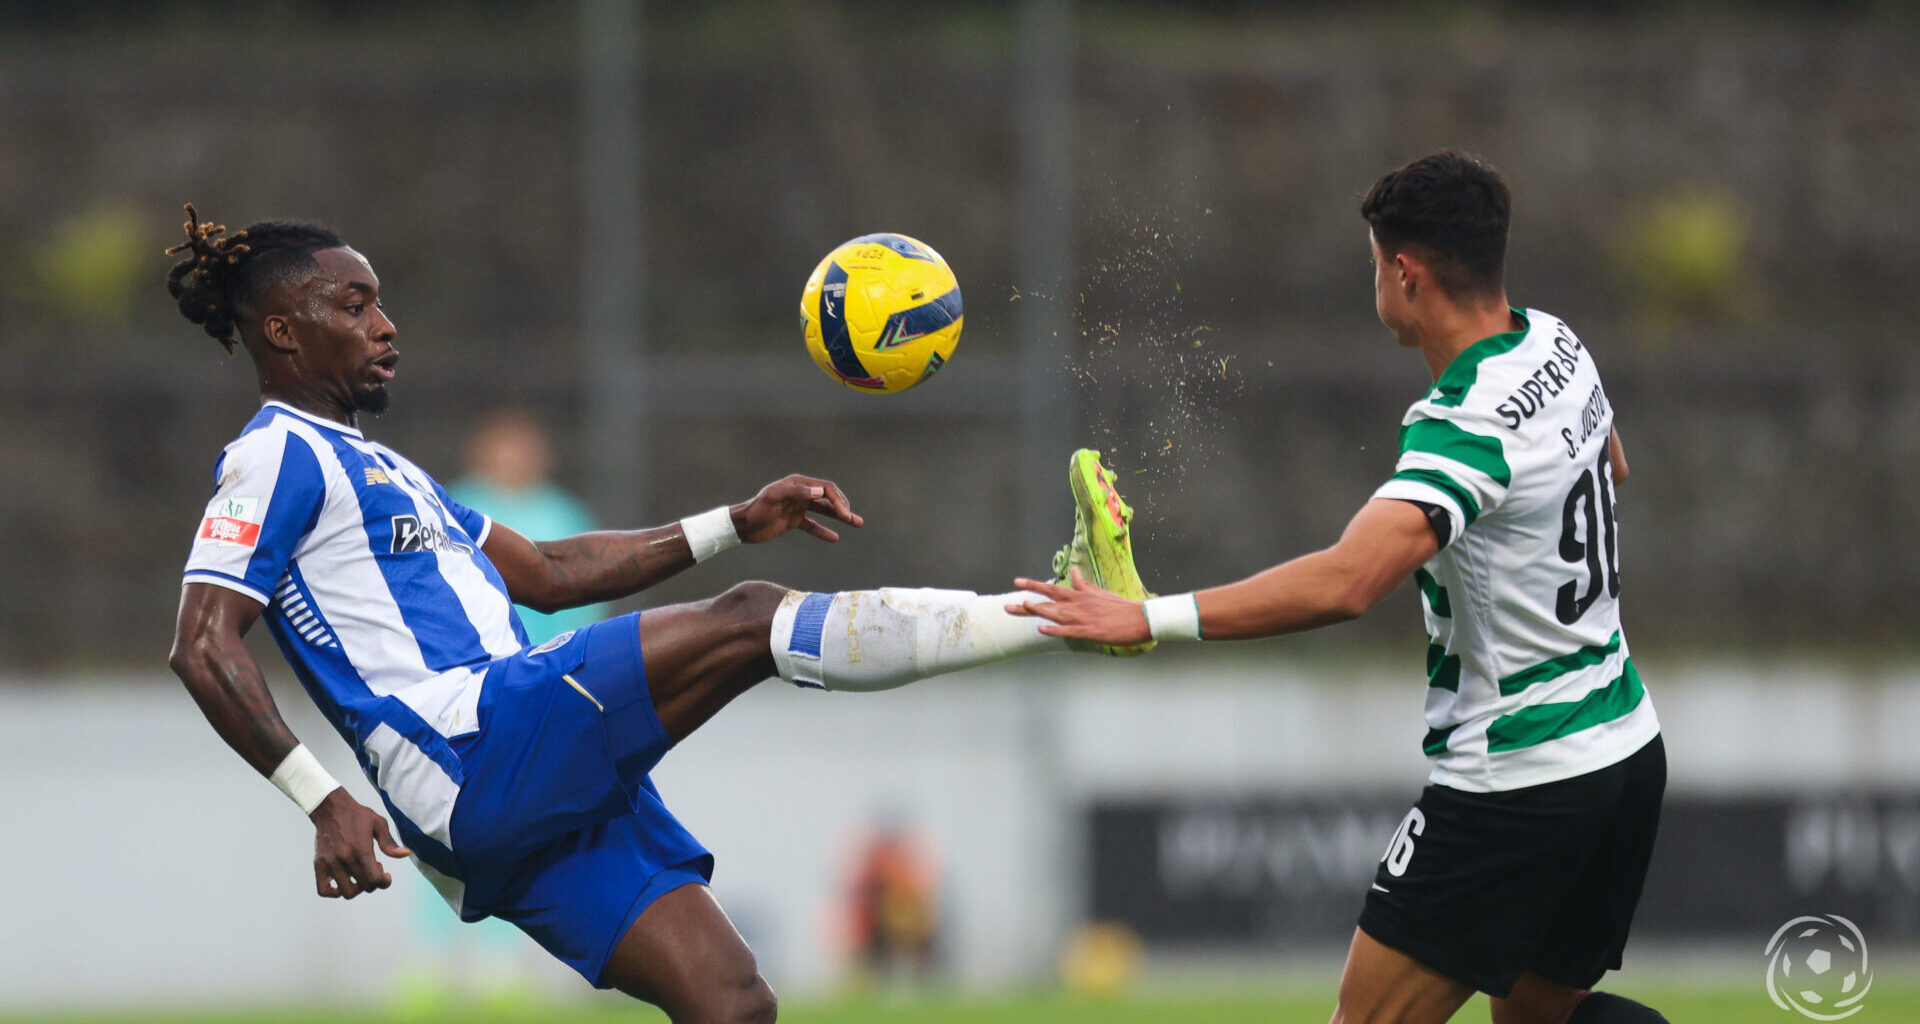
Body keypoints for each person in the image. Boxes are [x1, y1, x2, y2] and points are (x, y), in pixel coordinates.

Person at [161, 205, 1151, 1023]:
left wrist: (736, 521)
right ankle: (1065, 611)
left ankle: (1069, 611)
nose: (386, 326)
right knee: (751, 621)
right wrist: (321, 798)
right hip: (473, 743)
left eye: (381, 301)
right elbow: (201, 644)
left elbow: (550, 570)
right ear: (283, 332)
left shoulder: (384, 466)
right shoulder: (275, 455)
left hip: (511, 781)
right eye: (355, 305)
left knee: (732, 1001)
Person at [1014, 153, 1668, 1024]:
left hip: (1520, 775)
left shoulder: (1464, 424)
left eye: (1375, 265)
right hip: (1625, 748)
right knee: (1541, 1019)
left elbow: (1350, 581)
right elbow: (1612, 462)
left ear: (1406, 273)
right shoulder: (1558, 343)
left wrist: (1147, 618)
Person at [448, 406, 606, 643]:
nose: (512, 459)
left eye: (521, 450)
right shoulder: (456, 504)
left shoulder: (565, 513)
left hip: (552, 650)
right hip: (477, 648)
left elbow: (590, 586)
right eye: (504, 449)